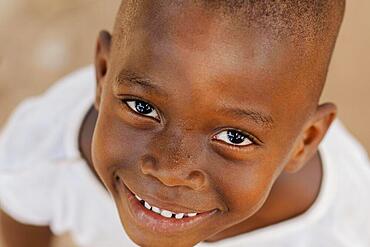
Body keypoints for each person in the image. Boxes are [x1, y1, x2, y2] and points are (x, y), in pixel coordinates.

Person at [1, 0, 369, 246]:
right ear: (103, 74)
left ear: (306, 140)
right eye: (142, 107)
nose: (171, 171)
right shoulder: (45, 153)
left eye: (234, 136)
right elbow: (17, 211)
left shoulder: (345, 227)